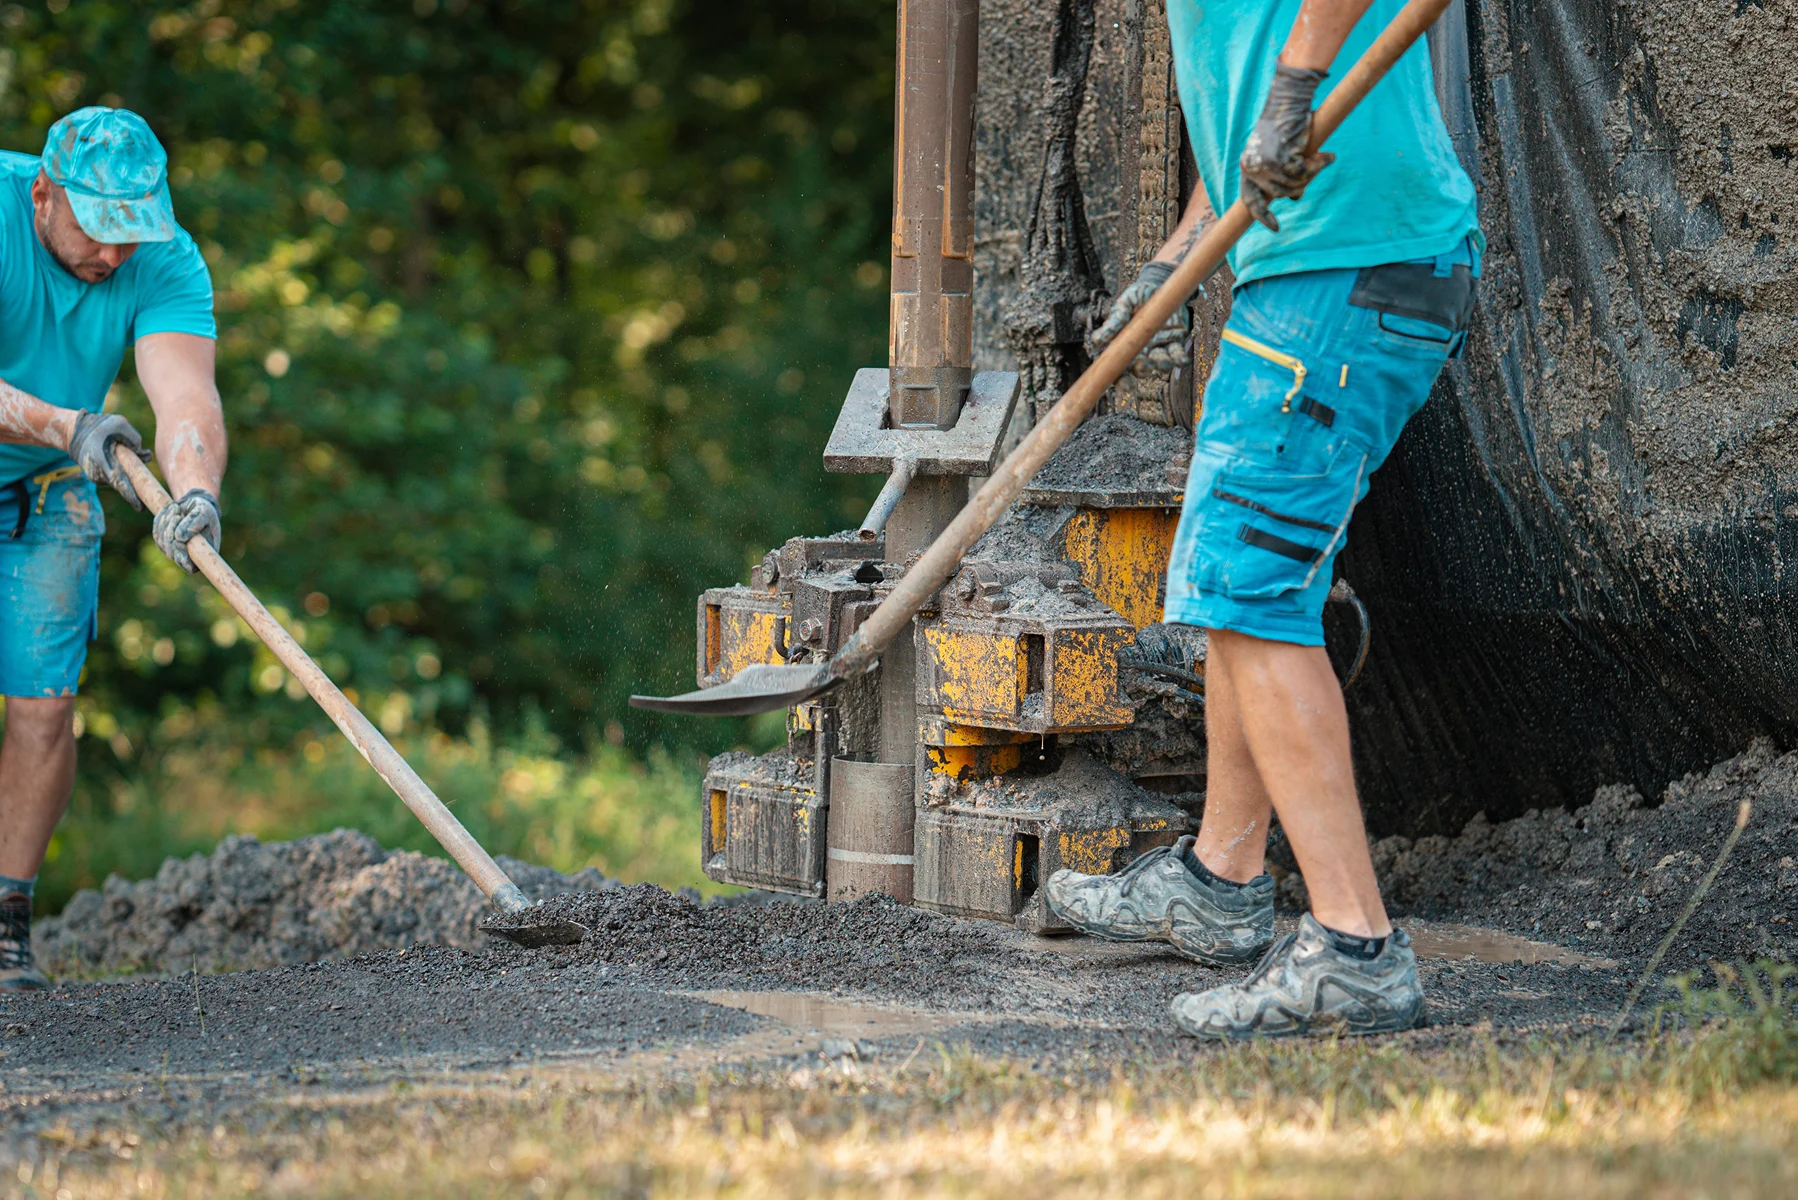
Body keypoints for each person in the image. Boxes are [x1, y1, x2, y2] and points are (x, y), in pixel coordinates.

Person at [1047, 0, 1481, 1038]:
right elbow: (1248, 126)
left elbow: (1284, 98)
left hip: (1348, 263)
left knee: (1245, 585)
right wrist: (1178, 257)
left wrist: (1296, 89)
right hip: (1316, 270)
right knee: (1233, 584)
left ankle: (1355, 952)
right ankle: (1221, 877)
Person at [0, 107, 227, 990]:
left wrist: (195, 492)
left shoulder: (162, 258)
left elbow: (185, 396)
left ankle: (6, 923)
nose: (114, 254)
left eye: (131, 232)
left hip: (47, 490)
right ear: (43, 196)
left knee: (44, 708)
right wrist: (69, 424)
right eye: (97, 229)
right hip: (59, 442)